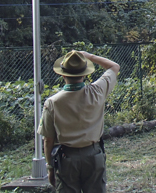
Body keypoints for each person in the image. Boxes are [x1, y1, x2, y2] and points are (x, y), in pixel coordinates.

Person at [38, 50, 119, 193]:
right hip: (94, 155)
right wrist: (90, 56)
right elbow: (114, 67)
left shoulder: (52, 103)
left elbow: (48, 140)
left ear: (63, 74)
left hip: (66, 158)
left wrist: (50, 168)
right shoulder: (97, 91)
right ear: (85, 73)